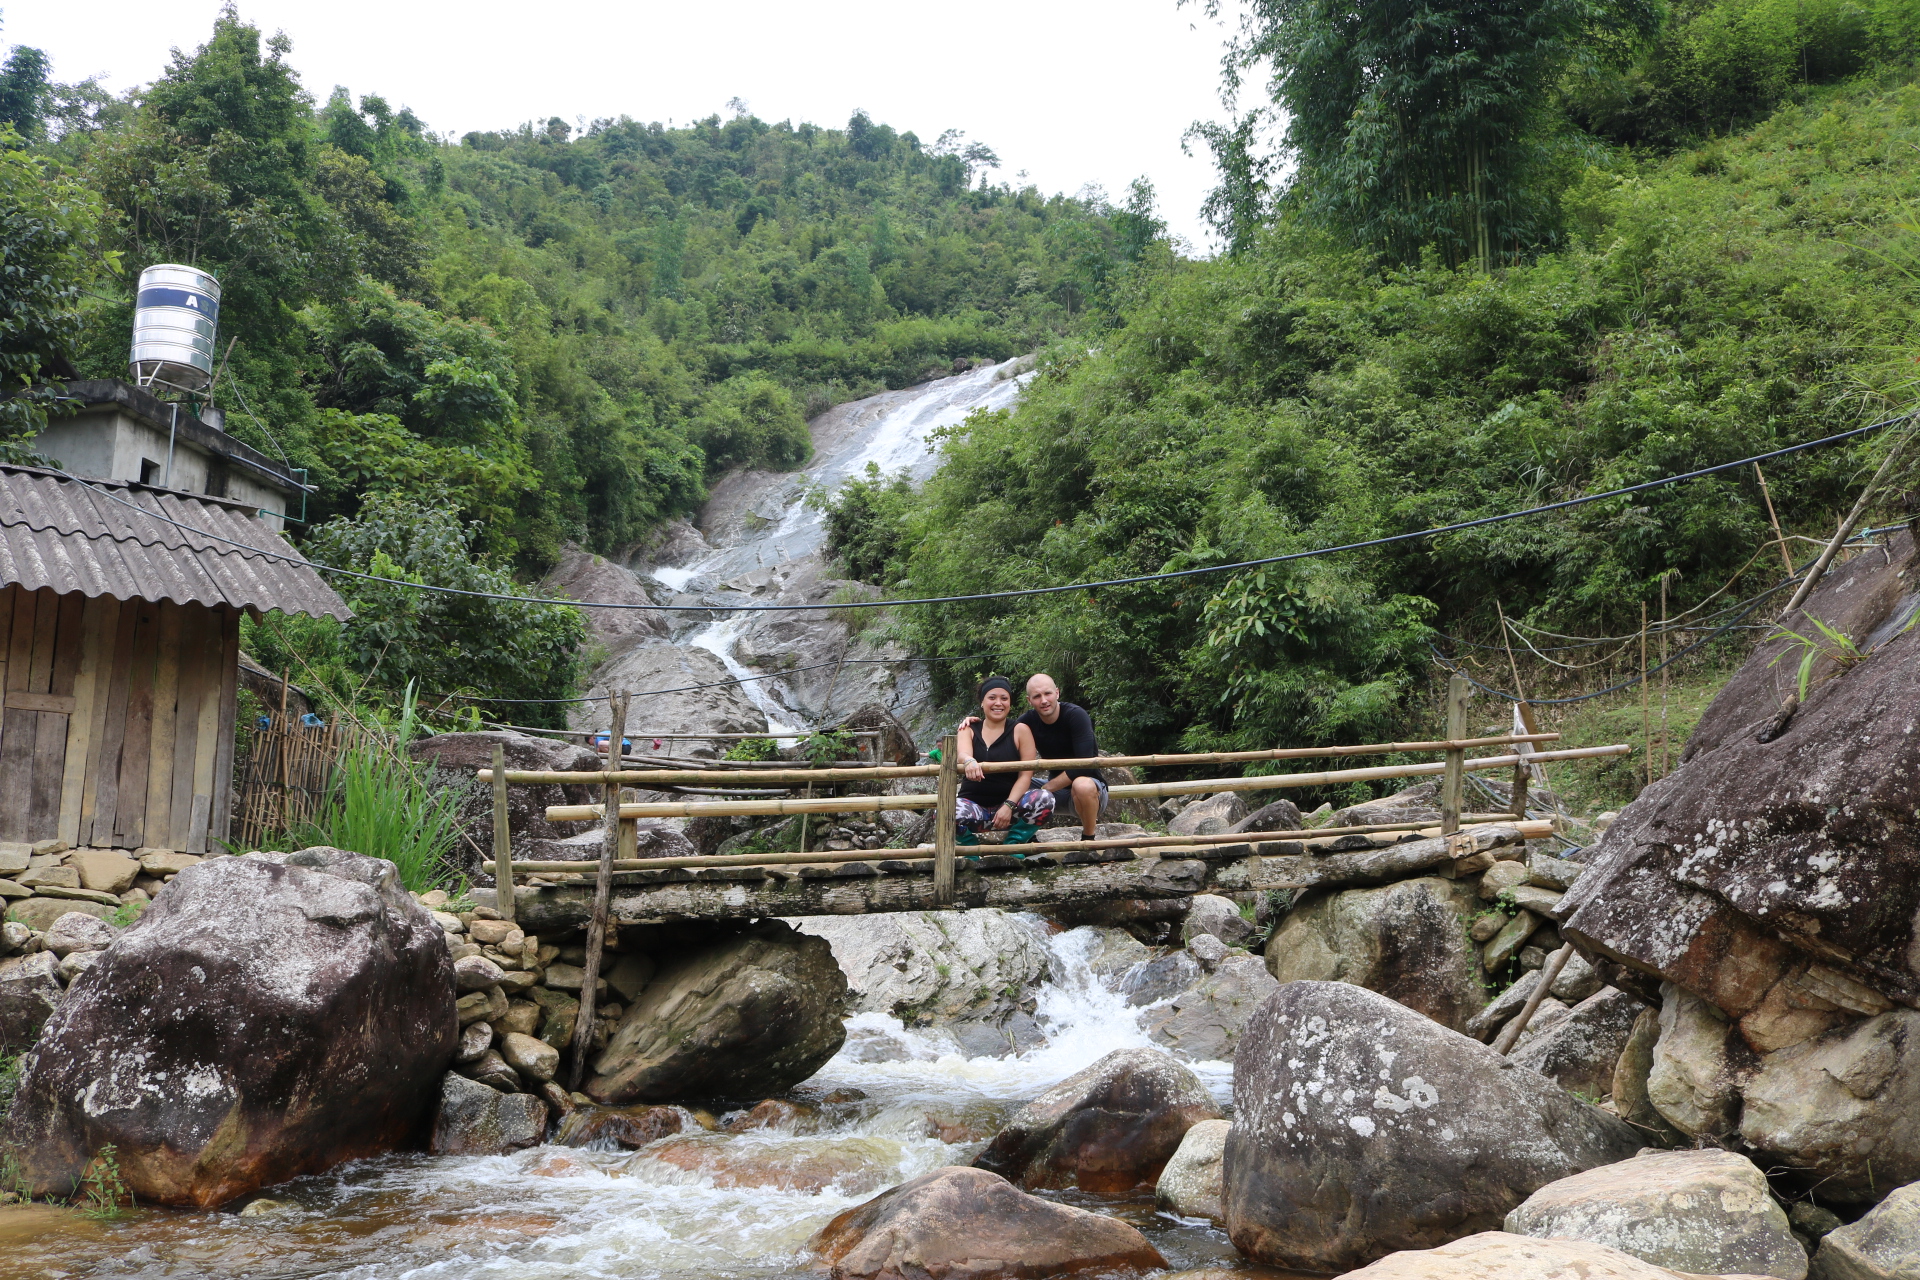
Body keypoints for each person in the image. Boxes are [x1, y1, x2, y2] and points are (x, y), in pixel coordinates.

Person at [952, 676, 1054, 845]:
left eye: (1004, 698)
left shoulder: (1021, 730)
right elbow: (963, 753)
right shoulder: (968, 728)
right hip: (974, 811)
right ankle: (970, 849)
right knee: (945, 810)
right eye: (992, 698)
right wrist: (969, 760)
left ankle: (1015, 844)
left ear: (1010, 703)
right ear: (982, 702)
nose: (998, 703)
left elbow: (1025, 775)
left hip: (1011, 810)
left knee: (1045, 798)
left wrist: (1008, 805)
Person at [1016, 672, 1106, 841]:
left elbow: (1085, 764)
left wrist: (1044, 790)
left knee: (1082, 784)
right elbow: (1001, 739)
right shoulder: (1026, 722)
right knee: (1009, 779)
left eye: (1048, 693)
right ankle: (1025, 837)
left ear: (1057, 693)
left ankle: (1088, 839)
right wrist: (974, 724)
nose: (1044, 700)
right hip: (1055, 794)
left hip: (1089, 790)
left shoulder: (1076, 715)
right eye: (1037, 696)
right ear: (1029, 701)